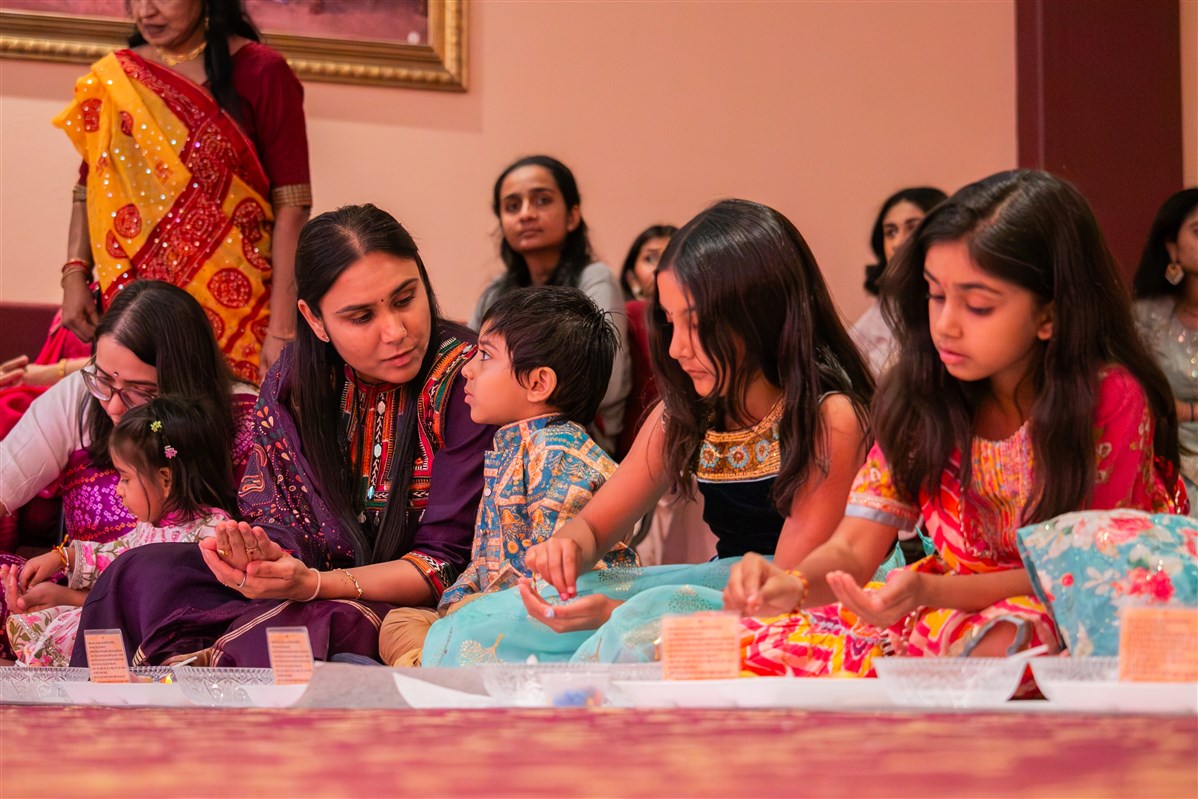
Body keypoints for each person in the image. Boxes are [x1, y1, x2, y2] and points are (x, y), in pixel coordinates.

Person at [724, 170, 1188, 685]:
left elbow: (1080, 573)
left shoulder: (1108, 397)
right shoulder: (921, 396)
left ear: (1050, 315)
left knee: (1001, 645)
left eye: (978, 305)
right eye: (936, 294)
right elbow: (854, 548)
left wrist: (933, 592)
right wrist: (790, 586)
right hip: (945, 610)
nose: (945, 325)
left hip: (1077, 613)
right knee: (744, 643)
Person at [422, 199, 874, 666]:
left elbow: (786, 594)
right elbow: (594, 526)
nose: (676, 348)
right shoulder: (683, 414)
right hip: (725, 588)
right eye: (670, 323)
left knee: (634, 632)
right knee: (484, 625)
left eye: (696, 323)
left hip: (805, 601)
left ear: (760, 313)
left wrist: (617, 614)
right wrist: (567, 549)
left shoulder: (829, 419)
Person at [69, 204, 493, 667]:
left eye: (405, 298)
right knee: (139, 572)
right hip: (299, 586)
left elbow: (444, 563)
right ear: (315, 320)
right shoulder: (295, 382)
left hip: (400, 605)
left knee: (307, 625)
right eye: (361, 316)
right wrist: (260, 558)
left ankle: (204, 672)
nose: (395, 331)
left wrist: (314, 585)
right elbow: (278, 521)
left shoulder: (469, 380)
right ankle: (105, 702)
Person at [377, 286, 639, 665]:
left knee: (440, 626)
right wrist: (456, 603)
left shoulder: (559, 457)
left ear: (538, 384)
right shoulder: (512, 448)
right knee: (401, 621)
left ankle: (445, 667)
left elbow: (555, 580)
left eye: (485, 356)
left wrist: (469, 609)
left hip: (553, 615)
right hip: (499, 607)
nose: (466, 369)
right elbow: (485, 562)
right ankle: (444, 663)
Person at [55, 0, 311, 383]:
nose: (145, 11)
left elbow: (293, 204)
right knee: (135, 413)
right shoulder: (117, 79)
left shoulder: (262, 71)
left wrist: (282, 330)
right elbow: (90, 186)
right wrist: (75, 272)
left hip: (240, 310)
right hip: (138, 306)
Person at [0, 281, 257, 656]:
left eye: (141, 390)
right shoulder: (81, 395)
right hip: (81, 595)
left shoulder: (248, 421)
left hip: (184, 615)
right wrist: (52, 575)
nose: (114, 406)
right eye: (103, 379)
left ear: (185, 381)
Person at [2, 396, 234, 666]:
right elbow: (113, 556)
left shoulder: (214, 533)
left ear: (165, 479)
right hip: (124, 625)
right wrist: (63, 558)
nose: (118, 490)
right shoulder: (149, 527)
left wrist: (73, 596)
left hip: (156, 639)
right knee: (37, 624)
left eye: (125, 478)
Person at [470, 155, 630, 453]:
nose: (526, 214)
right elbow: (468, 363)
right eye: (512, 206)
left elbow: (601, 383)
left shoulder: (595, 278)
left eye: (542, 200)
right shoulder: (496, 292)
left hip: (577, 443)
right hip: (502, 440)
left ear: (572, 215)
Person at [1132, 188, 1198, 503]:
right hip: (1164, 457)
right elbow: (1130, 393)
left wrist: (1186, 411)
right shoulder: (1145, 317)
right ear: (1172, 247)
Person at [851, 187, 947, 376]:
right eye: (891, 232)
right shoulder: (888, 301)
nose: (897, 243)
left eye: (912, 228)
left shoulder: (950, 298)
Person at [618, 224, 677, 459]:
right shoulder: (631, 312)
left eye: (672, 256)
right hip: (641, 439)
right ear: (631, 277)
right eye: (650, 258)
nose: (661, 266)